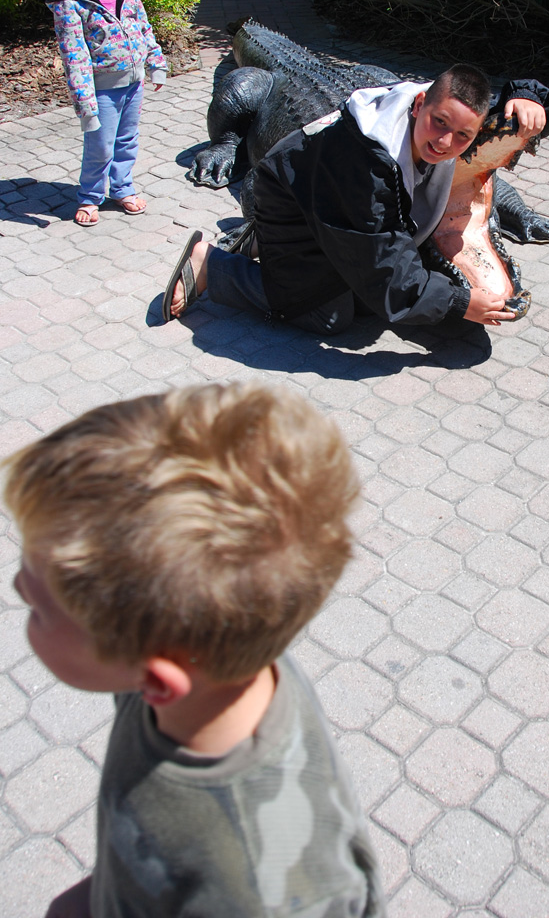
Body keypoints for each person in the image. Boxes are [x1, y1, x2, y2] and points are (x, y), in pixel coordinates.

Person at [4, 383, 385, 918]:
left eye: (40, 606)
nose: (18, 589)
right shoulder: (215, 662)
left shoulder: (260, 891)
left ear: (157, 680)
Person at [164, 63, 549, 332]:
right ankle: (212, 266)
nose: (445, 142)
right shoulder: (366, 165)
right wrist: (457, 303)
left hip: (340, 205)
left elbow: (487, 113)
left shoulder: (445, 108)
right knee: (330, 317)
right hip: (292, 200)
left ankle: (272, 245)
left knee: (373, 295)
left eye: (462, 136)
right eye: (439, 124)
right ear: (420, 104)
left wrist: (529, 97)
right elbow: (383, 264)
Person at [47, 0, 166, 228]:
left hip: (133, 83)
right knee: (100, 145)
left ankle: (122, 187)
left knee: (127, 140)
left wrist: (155, 62)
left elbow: (143, 28)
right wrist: (85, 104)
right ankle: (90, 196)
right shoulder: (70, 3)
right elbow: (75, 56)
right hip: (101, 89)